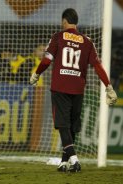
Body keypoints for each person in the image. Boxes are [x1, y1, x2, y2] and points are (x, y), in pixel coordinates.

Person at [29, 8, 118, 172]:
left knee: (63, 125)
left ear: (64, 21)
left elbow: (47, 60)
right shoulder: (87, 41)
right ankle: (64, 162)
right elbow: (97, 66)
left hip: (60, 87)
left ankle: (74, 160)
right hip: (78, 88)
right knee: (70, 126)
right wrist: (109, 86)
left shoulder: (58, 37)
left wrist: (36, 74)